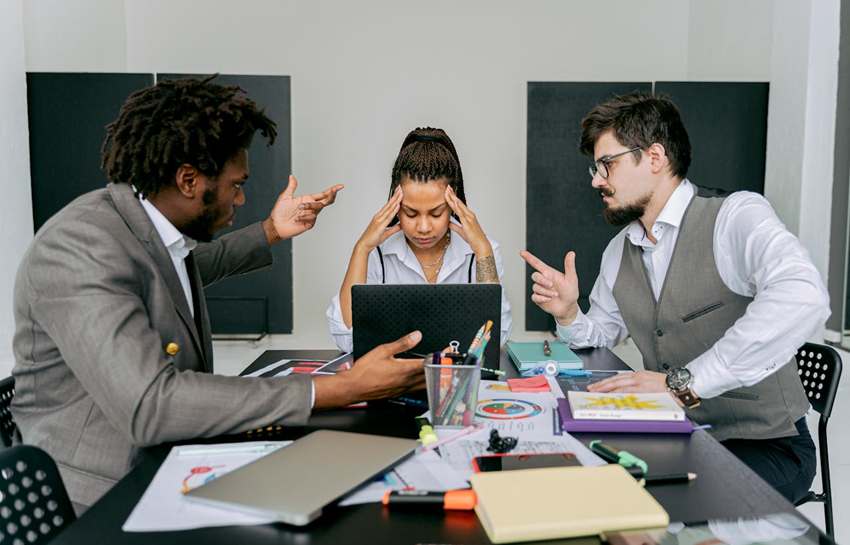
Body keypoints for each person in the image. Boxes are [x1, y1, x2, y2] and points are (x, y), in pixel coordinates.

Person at [12, 76, 426, 513]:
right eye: (236, 184)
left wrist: (271, 230)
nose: (242, 197)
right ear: (189, 179)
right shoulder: (80, 245)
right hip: (98, 499)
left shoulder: (142, 230)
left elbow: (189, 269)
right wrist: (338, 388)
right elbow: (152, 404)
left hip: (165, 464)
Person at [521, 91, 829, 503]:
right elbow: (601, 335)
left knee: (647, 501)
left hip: (767, 446)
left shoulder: (735, 217)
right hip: (675, 432)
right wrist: (568, 313)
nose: (596, 180)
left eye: (606, 165)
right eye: (595, 168)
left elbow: (804, 294)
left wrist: (682, 384)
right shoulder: (620, 249)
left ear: (654, 157)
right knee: (577, 478)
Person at [327, 127, 512, 352]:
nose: (423, 227)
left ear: (454, 204)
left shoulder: (484, 251)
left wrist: (482, 250)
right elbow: (347, 340)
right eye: (411, 214)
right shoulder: (374, 252)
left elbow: (493, 339)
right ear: (395, 207)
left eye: (436, 213)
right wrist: (361, 249)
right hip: (391, 383)